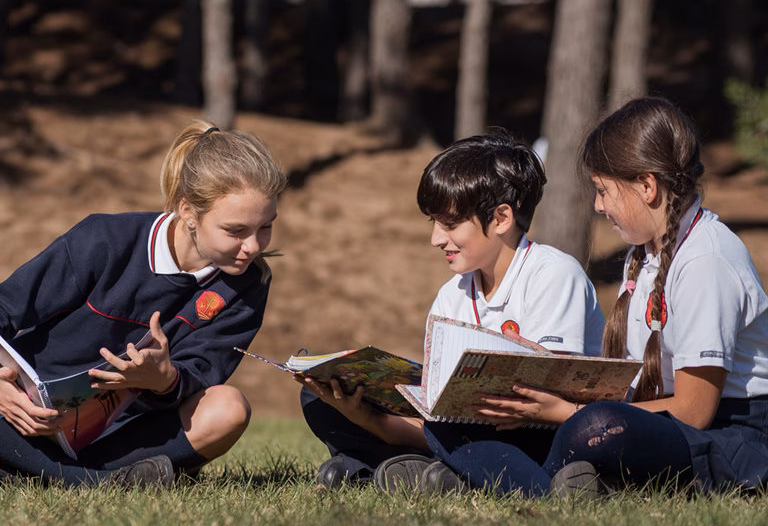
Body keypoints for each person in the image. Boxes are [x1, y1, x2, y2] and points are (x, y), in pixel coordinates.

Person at [427, 96, 768, 498]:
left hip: (730, 437)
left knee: (594, 427)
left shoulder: (706, 259)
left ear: (646, 186)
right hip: (653, 419)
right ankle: (554, 482)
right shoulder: (645, 255)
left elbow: (694, 412)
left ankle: (523, 486)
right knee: (449, 424)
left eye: (603, 191)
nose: (598, 206)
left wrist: (568, 413)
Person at [300, 130, 605, 491]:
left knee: (450, 431)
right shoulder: (451, 295)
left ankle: (524, 485)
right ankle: (438, 471)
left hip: (542, 435)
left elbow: (554, 402)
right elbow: (437, 413)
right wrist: (368, 418)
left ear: (502, 218)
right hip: (460, 434)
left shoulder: (553, 273)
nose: (436, 239)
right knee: (319, 399)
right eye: (434, 223)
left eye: (449, 224)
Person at [0, 121, 286, 487]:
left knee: (228, 409)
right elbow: (6, 309)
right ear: (188, 213)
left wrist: (164, 379)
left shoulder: (250, 283)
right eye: (236, 231)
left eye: (266, 226)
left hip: (112, 438)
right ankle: (91, 483)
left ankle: (39, 472)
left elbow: (202, 373)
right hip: (22, 414)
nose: (254, 246)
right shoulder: (103, 239)